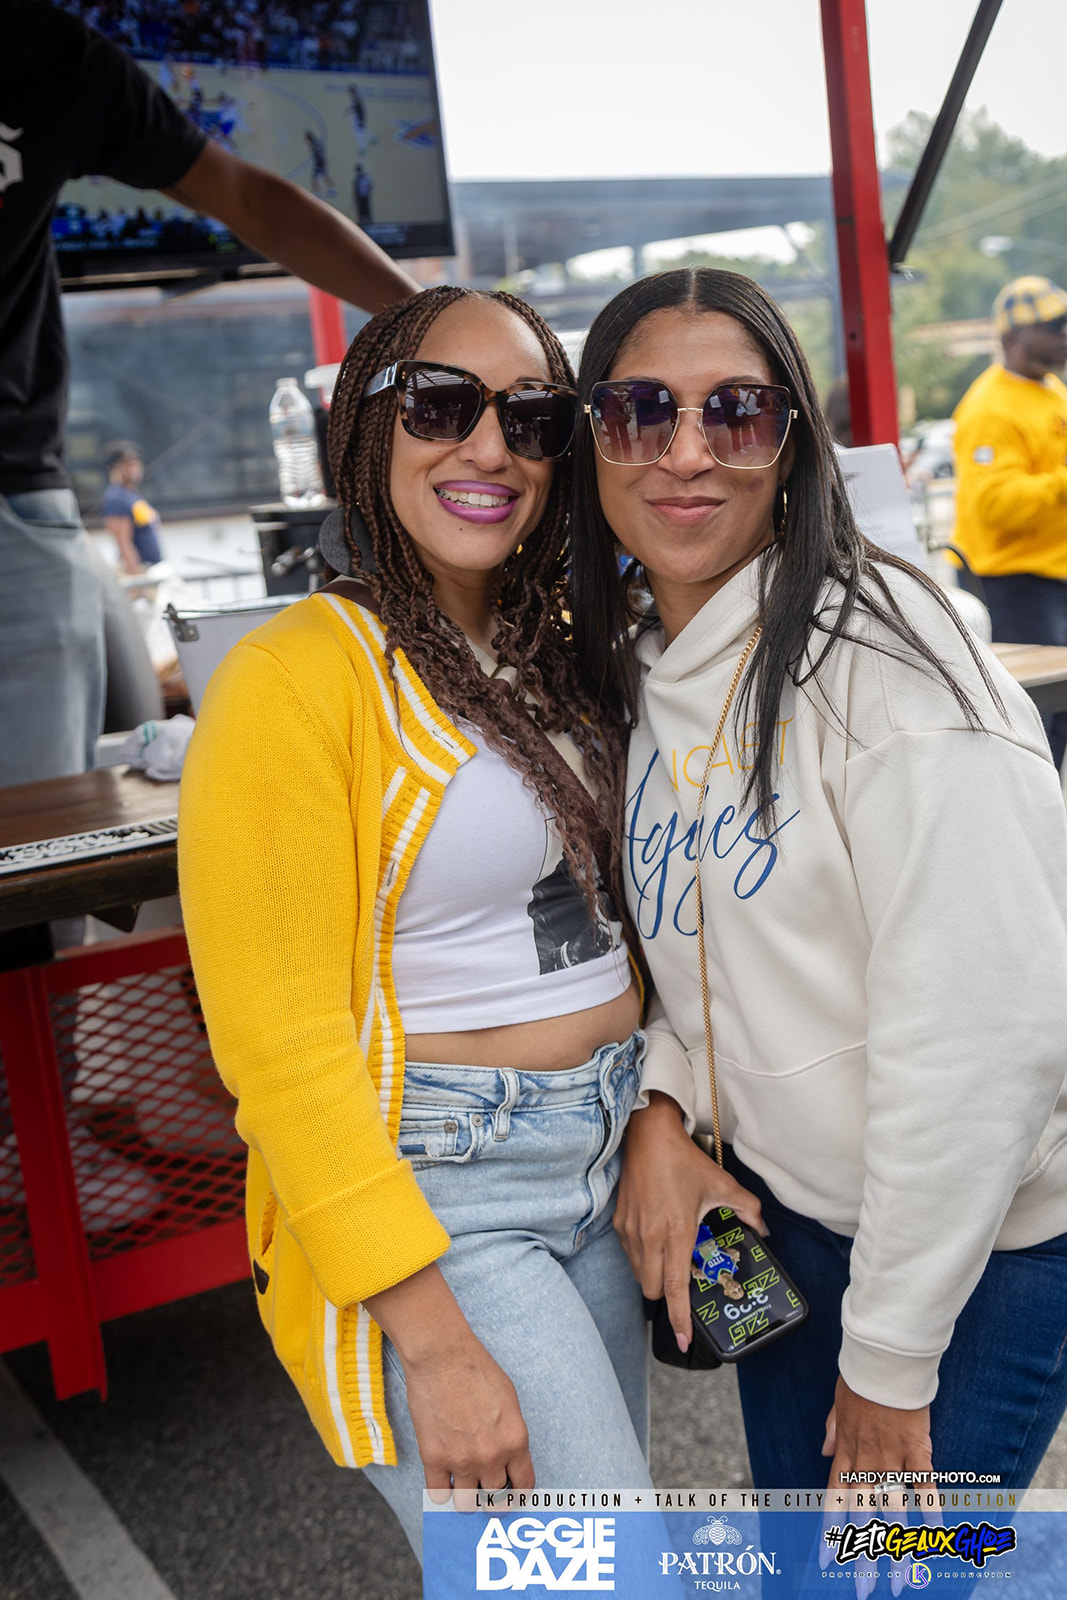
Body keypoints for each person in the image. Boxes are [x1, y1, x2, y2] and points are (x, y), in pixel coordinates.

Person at [568, 267, 1067, 1490]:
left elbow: (981, 1041)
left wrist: (888, 1358)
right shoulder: (646, 667)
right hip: (792, 1223)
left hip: (985, 1245)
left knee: (895, 1568)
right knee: (808, 1564)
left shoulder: (897, 673)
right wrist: (661, 1105)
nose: (687, 451)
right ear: (589, 442)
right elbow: (698, 952)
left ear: (791, 443)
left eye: (735, 411)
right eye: (639, 410)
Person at [178, 286, 653, 1558]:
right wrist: (433, 1342)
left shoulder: (550, 649)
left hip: (600, 1162)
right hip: (446, 1198)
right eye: (440, 405)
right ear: (364, 428)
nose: (489, 446)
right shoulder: (293, 679)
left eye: (532, 417)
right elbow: (278, 1046)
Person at [0, 0, 420, 793]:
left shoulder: (41, 50)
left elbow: (249, 198)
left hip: (12, 505)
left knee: (40, 828)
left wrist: (436, 321)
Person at [952, 274, 1067, 772]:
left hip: (1051, 577)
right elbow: (993, 505)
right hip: (1016, 585)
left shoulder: (1051, 391)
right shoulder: (990, 408)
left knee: (1057, 721)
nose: (1065, 333)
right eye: (1054, 326)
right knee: (1034, 725)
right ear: (1012, 337)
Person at [102, 440, 164, 574]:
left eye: (136, 463)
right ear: (115, 468)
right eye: (128, 464)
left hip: (154, 568)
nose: (134, 468)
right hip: (143, 571)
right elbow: (124, 543)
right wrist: (137, 577)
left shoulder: (132, 494)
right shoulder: (116, 498)